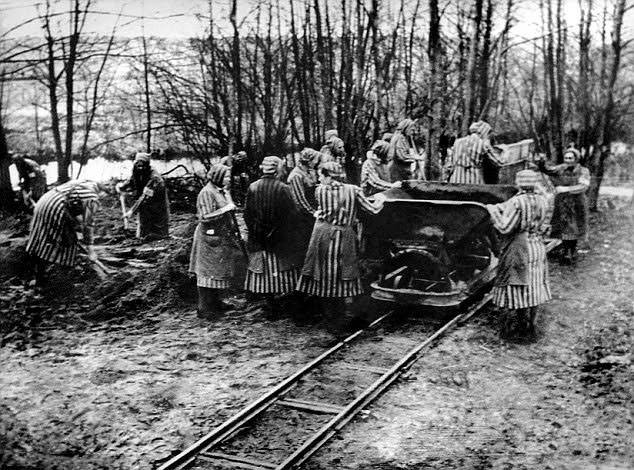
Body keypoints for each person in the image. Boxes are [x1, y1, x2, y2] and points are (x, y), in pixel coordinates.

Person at [296, 161, 386, 327]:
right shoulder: (353, 190)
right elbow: (373, 210)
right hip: (343, 234)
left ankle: (327, 311)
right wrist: (381, 198)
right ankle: (342, 310)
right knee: (342, 270)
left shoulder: (320, 190)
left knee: (322, 269)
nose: (319, 179)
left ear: (328, 176)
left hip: (322, 233)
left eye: (321, 175)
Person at [486, 169, 552, 336]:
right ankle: (529, 326)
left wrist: (492, 211)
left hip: (519, 247)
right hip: (537, 246)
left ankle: (507, 330)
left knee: (512, 283)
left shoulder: (517, 202)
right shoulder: (542, 200)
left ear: (519, 183)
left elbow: (505, 227)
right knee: (534, 284)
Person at [244, 156, 304, 312]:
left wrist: (255, 230)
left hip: (259, 237)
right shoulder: (283, 188)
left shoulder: (253, 187)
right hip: (279, 239)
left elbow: (247, 215)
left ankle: (270, 303)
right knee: (284, 271)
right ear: (278, 169)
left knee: (265, 272)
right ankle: (286, 302)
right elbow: (292, 215)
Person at [189, 164, 246, 318]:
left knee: (216, 272)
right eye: (226, 176)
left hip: (219, 237)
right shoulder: (207, 192)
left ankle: (216, 302)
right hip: (208, 238)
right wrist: (225, 210)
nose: (228, 179)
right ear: (217, 177)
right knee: (207, 273)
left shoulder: (221, 191)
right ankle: (205, 308)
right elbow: (205, 217)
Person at [25, 180, 101, 285]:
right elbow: (88, 225)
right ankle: (62, 282)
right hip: (56, 208)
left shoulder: (81, 184)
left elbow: (77, 216)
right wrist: (91, 251)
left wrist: (80, 226)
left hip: (44, 203)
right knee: (68, 245)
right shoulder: (92, 197)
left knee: (41, 241)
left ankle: (38, 279)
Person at [539, 147, 590, 263]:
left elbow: (583, 186)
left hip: (577, 203)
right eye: (566, 158)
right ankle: (567, 252)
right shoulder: (561, 168)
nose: (568, 160)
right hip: (563, 203)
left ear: (576, 159)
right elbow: (548, 170)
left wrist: (566, 189)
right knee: (565, 227)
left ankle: (571, 251)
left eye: (570, 158)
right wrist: (542, 161)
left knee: (575, 227)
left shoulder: (583, 171)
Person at [116, 152, 170, 240]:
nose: (141, 168)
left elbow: (145, 197)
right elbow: (132, 180)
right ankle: (143, 237)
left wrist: (131, 211)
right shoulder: (136, 170)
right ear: (136, 164)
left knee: (158, 225)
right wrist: (122, 186)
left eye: (143, 166)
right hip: (144, 200)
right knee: (143, 228)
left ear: (147, 165)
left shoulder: (154, 178)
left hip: (157, 202)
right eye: (139, 166)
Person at [287, 148, 322, 255]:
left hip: (309, 213)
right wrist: (313, 212)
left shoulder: (308, 171)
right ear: (309, 161)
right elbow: (299, 200)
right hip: (302, 215)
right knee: (305, 243)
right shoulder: (296, 175)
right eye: (315, 160)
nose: (317, 163)